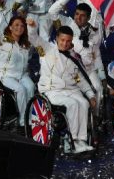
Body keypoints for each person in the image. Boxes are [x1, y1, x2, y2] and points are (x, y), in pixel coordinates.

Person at [27, 20, 96, 153]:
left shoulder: (73, 58)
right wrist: (31, 26)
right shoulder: (47, 49)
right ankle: (71, 141)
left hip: (70, 90)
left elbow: (79, 79)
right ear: (57, 38)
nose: (65, 43)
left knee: (83, 103)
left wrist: (90, 94)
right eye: (62, 40)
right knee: (72, 104)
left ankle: (80, 140)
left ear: (71, 42)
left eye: (68, 41)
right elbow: (34, 38)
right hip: (52, 90)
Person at [48, 0, 105, 114]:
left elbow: (96, 55)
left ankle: (94, 119)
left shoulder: (94, 32)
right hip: (68, 68)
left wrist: (103, 77)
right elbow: (52, 12)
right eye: (77, 14)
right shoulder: (66, 23)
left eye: (82, 15)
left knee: (98, 88)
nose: (78, 17)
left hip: (87, 68)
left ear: (89, 17)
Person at [0, 6, 34, 128]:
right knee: (20, 90)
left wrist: (31, 26)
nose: (19, 27)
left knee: (31, 87)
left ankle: (30, 119)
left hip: (22, 75)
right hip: (6, 75)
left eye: (22, 26)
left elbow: (36, 39)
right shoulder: (3, 40)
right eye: (16, 25)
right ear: (10, 27)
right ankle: (22, 122)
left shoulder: (26, 44)